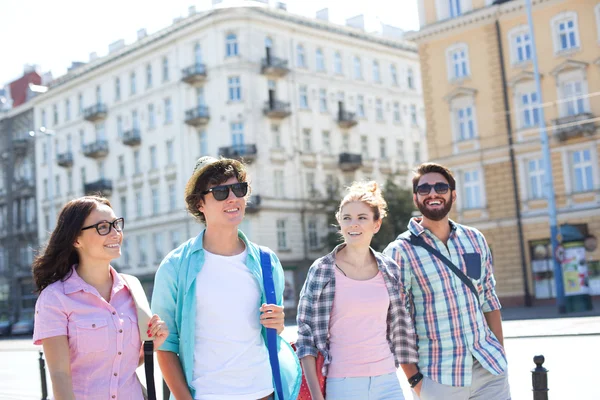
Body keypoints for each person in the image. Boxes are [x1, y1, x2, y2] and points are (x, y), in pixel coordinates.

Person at [151, 156, 301, 400]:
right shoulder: (175, 266)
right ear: (200, 203)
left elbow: (273, 331)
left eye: (239, 189)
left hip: (264, 392)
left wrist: (278, 323)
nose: (233, 198)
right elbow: (165, 345)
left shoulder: (267, 261)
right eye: (220, 192)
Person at [384, 163, 510, 400]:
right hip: (439, 377)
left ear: (453, 194)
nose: (433, 193)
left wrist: (500, 355)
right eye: (424, 189)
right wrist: (415, 381)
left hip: (490, 370)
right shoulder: (400, 251)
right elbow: (396, 323)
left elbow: (489, 301)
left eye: (441, 187)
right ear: (415, 198)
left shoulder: (475, 239)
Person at [32, 196, 168, 400]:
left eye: (116, 224)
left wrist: (153, 344)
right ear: (76, 239)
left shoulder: (132, 287)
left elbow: (119, 363)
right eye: (103, 227)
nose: (116, 234)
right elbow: (60, 376)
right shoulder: (55, 298)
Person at [296, 181, 419, 400]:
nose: (354, 224)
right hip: (343, 384)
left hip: (387, 381)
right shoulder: (322, 270)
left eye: (362, 218)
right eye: (347, 218)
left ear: (376, 224)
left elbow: (401, 327)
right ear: (340, 223)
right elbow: (306, 338)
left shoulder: (390, 269)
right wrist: (316, 396)